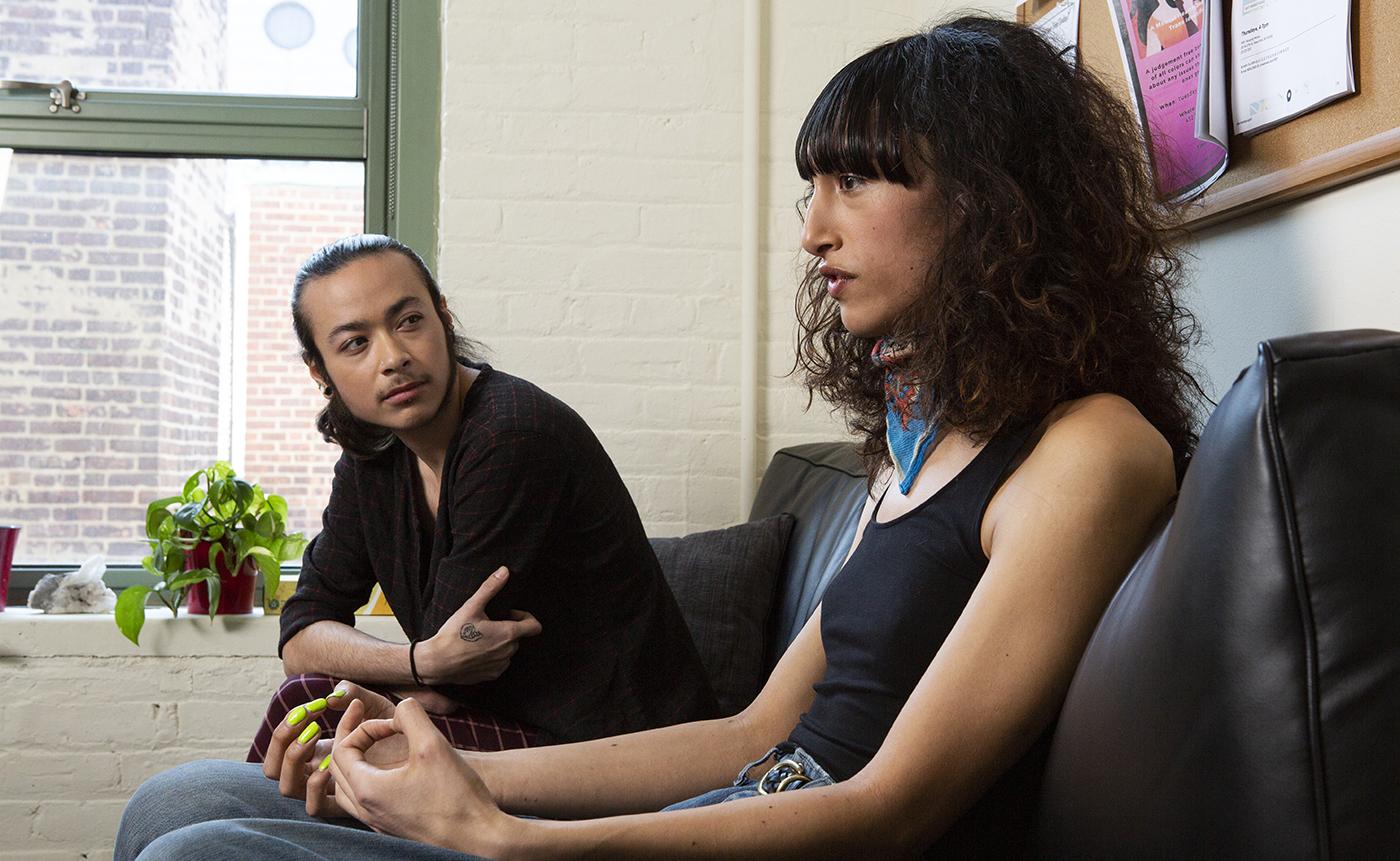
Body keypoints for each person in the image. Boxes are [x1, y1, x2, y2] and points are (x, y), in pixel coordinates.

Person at [116, 15, 1205, 859]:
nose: (813, 229)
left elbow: (888, 810)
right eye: (809, 187)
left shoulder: (1090, 452)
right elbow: (751, 739)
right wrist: (440, 755)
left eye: (854, 180)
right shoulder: (917, 447)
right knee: (180, 799)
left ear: (988, 201)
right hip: (735, 801)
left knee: (205, 844)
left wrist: (508, 836)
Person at [248, 234, 718, 764]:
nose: (394, 357)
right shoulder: (374, 454)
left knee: (319, 710)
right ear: (320, 372)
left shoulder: (510, 433)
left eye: (408, 321)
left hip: (611, 749)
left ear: (443, 320)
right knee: (311, 700)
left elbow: (456, 680)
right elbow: (303, 634)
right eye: (355, 343)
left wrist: (421, 672)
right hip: (504, 724)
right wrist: (420, 661)